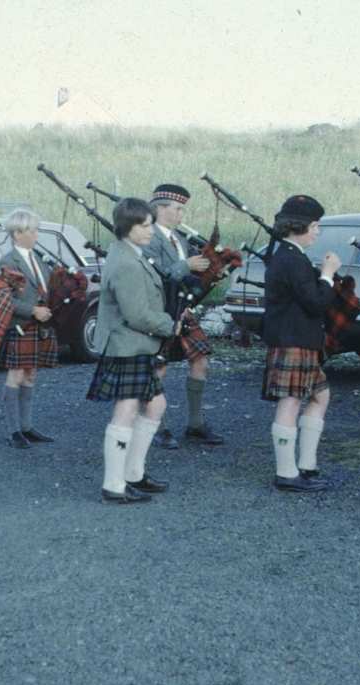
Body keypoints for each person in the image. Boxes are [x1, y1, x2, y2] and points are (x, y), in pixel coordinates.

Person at [86, 197, 175, 504]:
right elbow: (137, 314)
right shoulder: (126, 262)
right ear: (128, 228)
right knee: (126, 410)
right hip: (127, 345)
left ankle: (134, 474)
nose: (151, 229)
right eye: (146, 225)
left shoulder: (128, 253)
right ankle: (114, 485)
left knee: (155, 404)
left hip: (134, 345)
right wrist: (169, 324)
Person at [260, 194, 340, 492]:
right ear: (302, 226)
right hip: (292, 340)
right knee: (290, 402)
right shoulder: (291, 259)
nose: (318, 232)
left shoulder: (289, 255)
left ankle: (307, 466)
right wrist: (328, 275)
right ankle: (286, 473)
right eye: (316, 226)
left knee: (321, 396)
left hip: (299, 340)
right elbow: (316, 302)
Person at [143, 184, 224, 448]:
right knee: (159, 367)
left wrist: (212, 272)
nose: (181, 214)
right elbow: (152, 275)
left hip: (183, 309)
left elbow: (189, 277)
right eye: (177, 209)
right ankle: (157, 426)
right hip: (160, 310)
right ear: (160, 208)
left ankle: (195, 423)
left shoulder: (180, 239)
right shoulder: (147, 237)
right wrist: (185, 265)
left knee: (200, 360)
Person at [0, 209, 57, 449]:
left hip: (40, 325)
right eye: (32, 230)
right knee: (16, 375)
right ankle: (14, 432)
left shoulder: (38, 259)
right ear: (18, 233)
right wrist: (32, 311)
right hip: (21, 324)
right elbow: (4, 299)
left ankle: (27, 426)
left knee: (31, 374)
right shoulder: (8, 261)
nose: (36, 234)